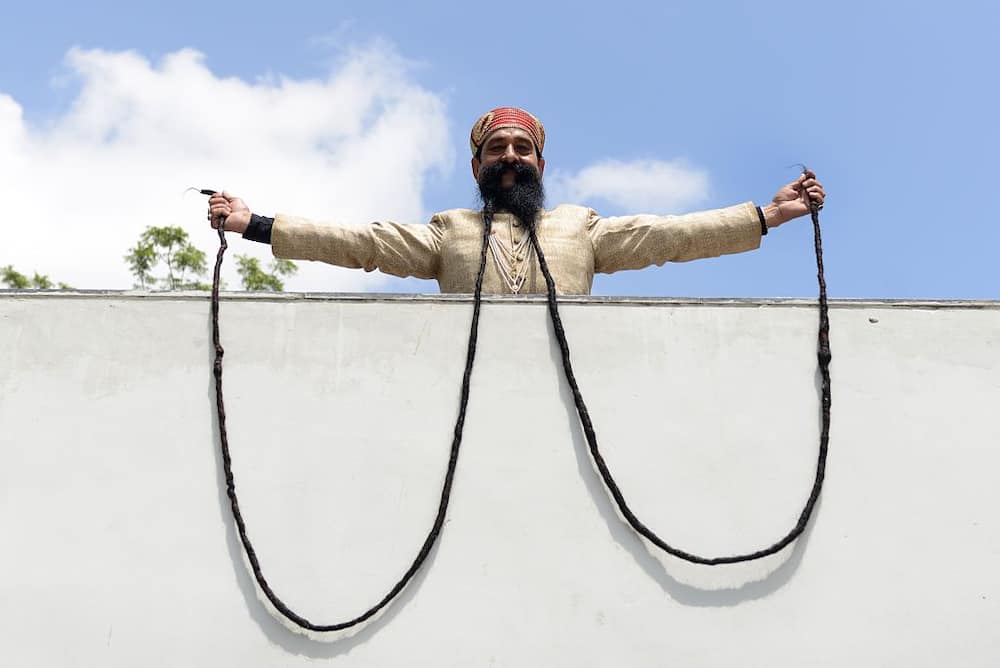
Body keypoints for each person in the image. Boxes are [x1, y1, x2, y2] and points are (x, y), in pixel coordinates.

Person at [208, 107, 825, 295]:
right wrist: (255, 224)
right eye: (497, 149)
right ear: (476, 166)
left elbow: (669, 236)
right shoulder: (448, 229)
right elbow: (362, 244)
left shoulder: (579, 227)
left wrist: (768, 216)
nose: (510, 157)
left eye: (521, 148)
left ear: (540, 163)